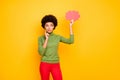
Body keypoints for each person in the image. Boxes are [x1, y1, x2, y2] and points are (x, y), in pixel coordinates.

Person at [38, 14, 74, 80]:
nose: (49, 27)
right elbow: (41, 53)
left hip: (55, 64)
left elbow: (70, 41)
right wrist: (46, 39)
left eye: (51, 25)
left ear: (54, 26)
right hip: (44, 64)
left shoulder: (57, 37)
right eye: (47, 25)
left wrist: (70, 26)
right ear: (44, 26)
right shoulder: (41, 38)